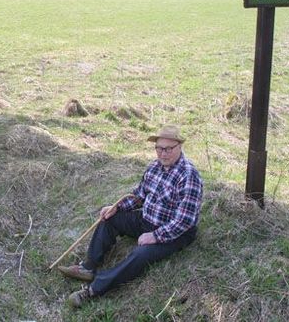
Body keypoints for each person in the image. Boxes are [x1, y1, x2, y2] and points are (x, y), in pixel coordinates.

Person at [57, 125, 203, 308]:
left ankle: (92, 290)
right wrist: (116, 207)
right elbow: (139, 196)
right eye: (159, 148)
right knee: (109, 219)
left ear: (179, 147)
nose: (163, 153)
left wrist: (155, 236)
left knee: (140, 254)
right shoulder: (155, 167)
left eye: (168, 149)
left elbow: (185, 221)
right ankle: (88, 267)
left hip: (175, 232)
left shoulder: (189, 175)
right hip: (147, 219)